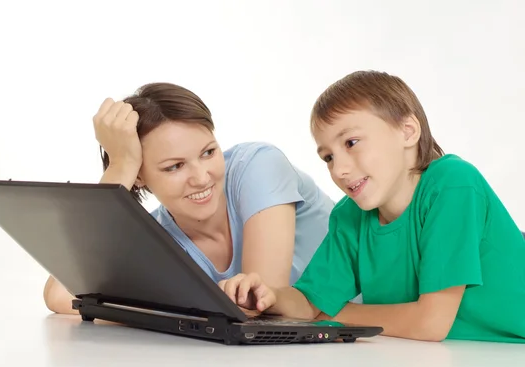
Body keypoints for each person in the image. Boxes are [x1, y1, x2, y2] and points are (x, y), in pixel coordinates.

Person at [221, 70, 525, 343]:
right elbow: (309, 302)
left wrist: (336, 315)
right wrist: (268, 298)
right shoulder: (349, 215)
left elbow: (430, 324)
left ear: (408, 131)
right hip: (453, 363)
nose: (338, 169)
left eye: (351, 143)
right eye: (328, 157)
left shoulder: (453, 184)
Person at [43, 82, 336, 314]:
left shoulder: (259, 167)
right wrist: (120, 166)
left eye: (208, 152)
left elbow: (261, 302)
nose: (201, 177)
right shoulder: (160, 238)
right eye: (174, 166)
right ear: (139, 176)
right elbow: (59, 294)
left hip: (368, 326)